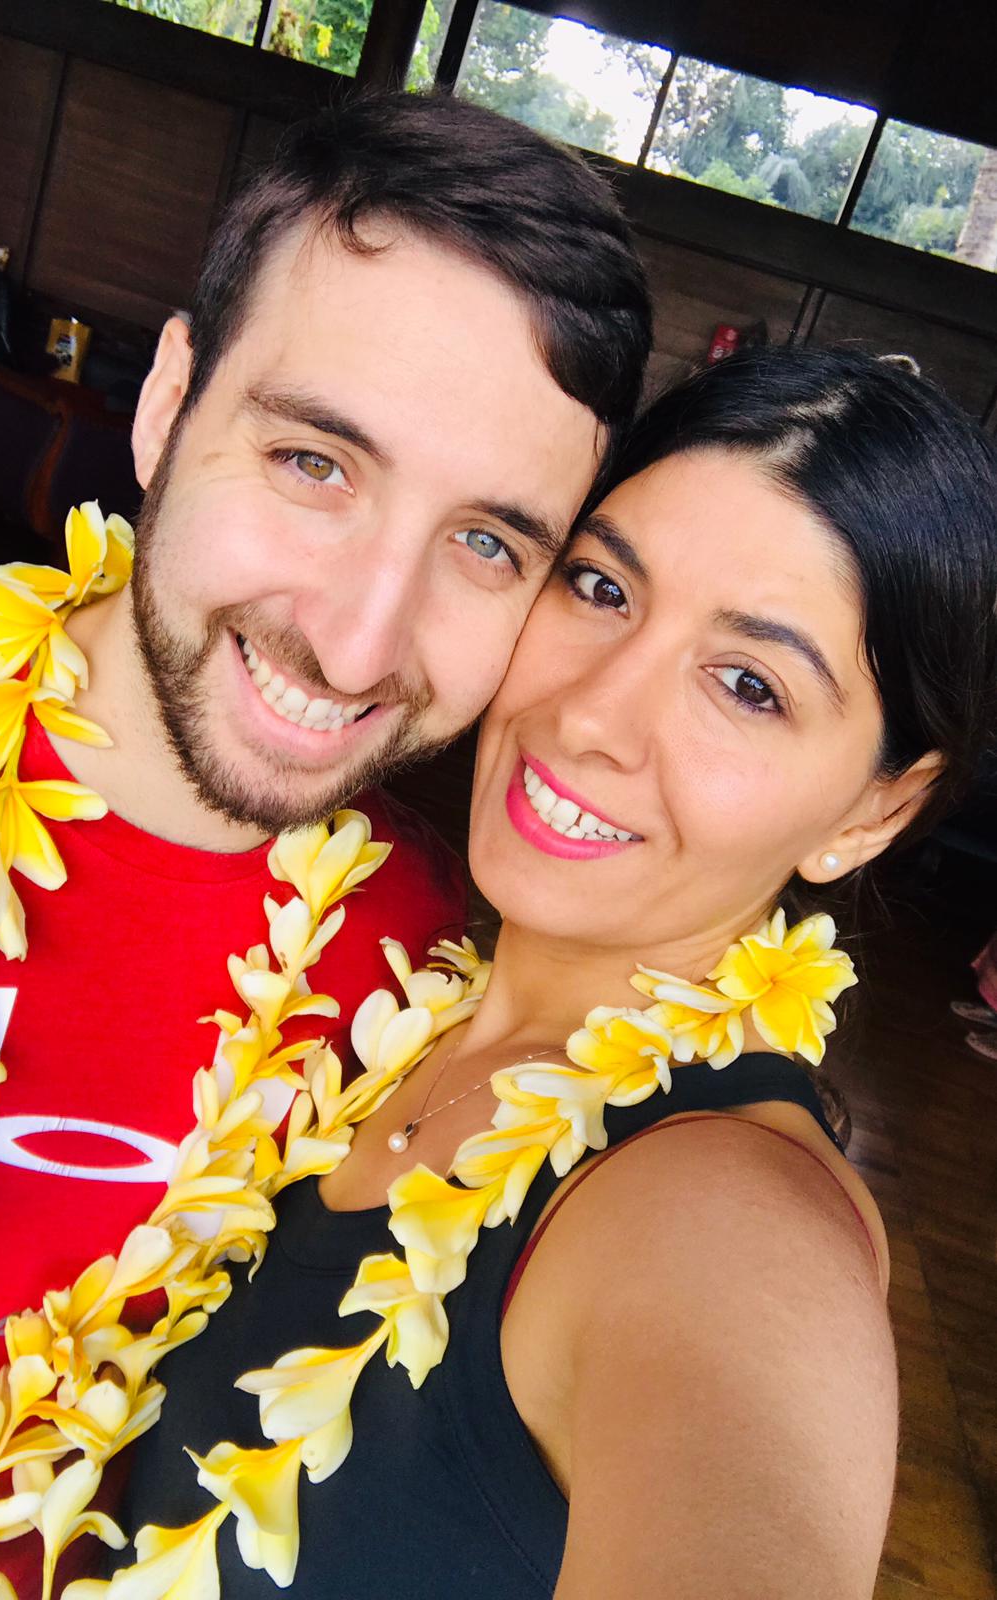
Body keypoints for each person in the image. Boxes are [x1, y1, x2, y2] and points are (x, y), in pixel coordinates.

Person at [0, 94, 651, 1589]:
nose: (357, 641)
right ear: (166, 403)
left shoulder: (432, 1006)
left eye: (484, 543)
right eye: (315, 463)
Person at [116, 346, 997, 1598]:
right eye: (598, 586)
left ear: (874, 809)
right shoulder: (369, 970)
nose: (590, 715)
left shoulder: (725, 1228)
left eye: (747, 685)